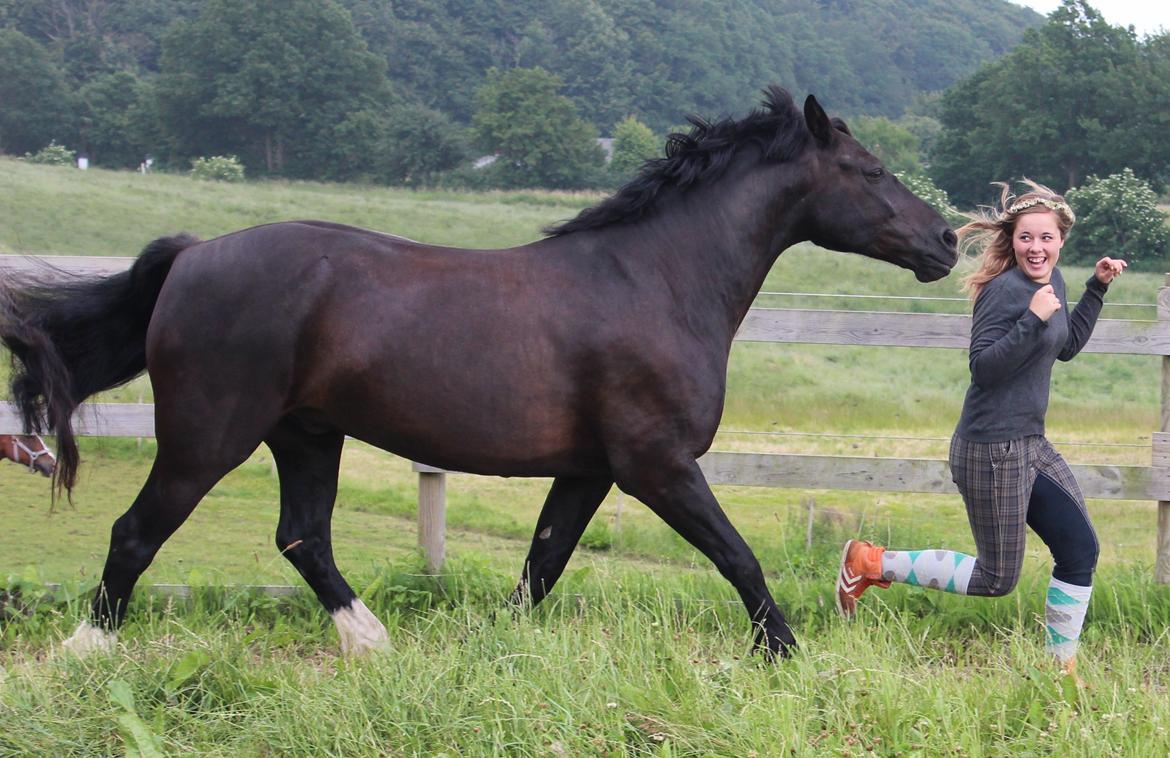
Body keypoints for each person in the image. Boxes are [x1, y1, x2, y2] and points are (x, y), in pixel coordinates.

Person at [834, 180, 1127, 678]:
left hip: (1031, 442)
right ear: (1012, 240)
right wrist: (1031, 321)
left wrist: (1096, 288)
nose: (1036, 248)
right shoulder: (1004, 291)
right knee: (996, 579)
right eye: (1026, 238)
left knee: (1080, 549)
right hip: (991, 448)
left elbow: (1067, 345)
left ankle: (1061, 672)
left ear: (1061, 241)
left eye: (1046, 239)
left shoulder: (1052, 283)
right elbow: (985, 369)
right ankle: (869, 562)